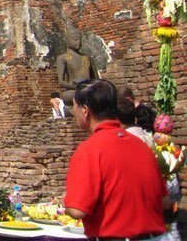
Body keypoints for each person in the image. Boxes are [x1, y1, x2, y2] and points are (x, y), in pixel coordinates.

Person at [64, 79, 169, 239]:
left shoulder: (89, 150)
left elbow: (77, 210)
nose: (74, 112)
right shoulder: (141, 145)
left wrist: (66, 201)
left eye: (74, 106)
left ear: (85, 110)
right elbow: (165, 201)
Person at [55, 37, 99, 108]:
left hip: (88, 89)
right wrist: (73, 86)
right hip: (74, 90)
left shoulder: (87, 57)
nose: (79, 42)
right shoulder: (63, 58)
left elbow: (96, 79)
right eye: (75, 39)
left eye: (80, 39)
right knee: (67, 96)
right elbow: (61, 81)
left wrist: (91, 86)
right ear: (68, 41)